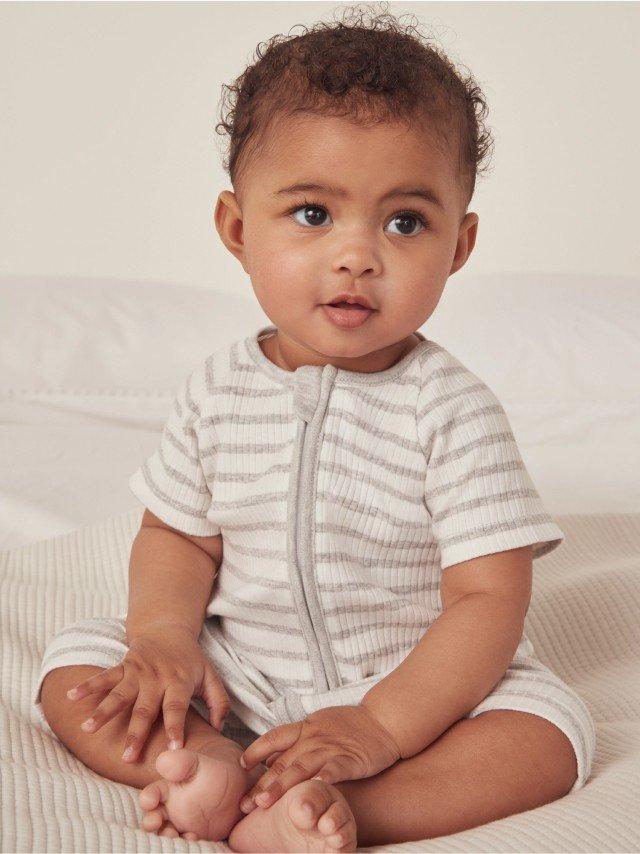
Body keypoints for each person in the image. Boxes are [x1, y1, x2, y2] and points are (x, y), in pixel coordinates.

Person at [33, 5, 596, 850]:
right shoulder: (217, 390)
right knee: (76, 672)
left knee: (549, 737)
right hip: (237, 675)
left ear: (459, 244)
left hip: (411, 689)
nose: (357, 255)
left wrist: (380, 724)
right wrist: (163, 639)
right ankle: (210, 767)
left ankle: (340, 812)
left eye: (405, 222)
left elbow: (488, 597)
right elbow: (178, 538)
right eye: (312, 214)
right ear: (237, 228)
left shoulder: (453, 410)